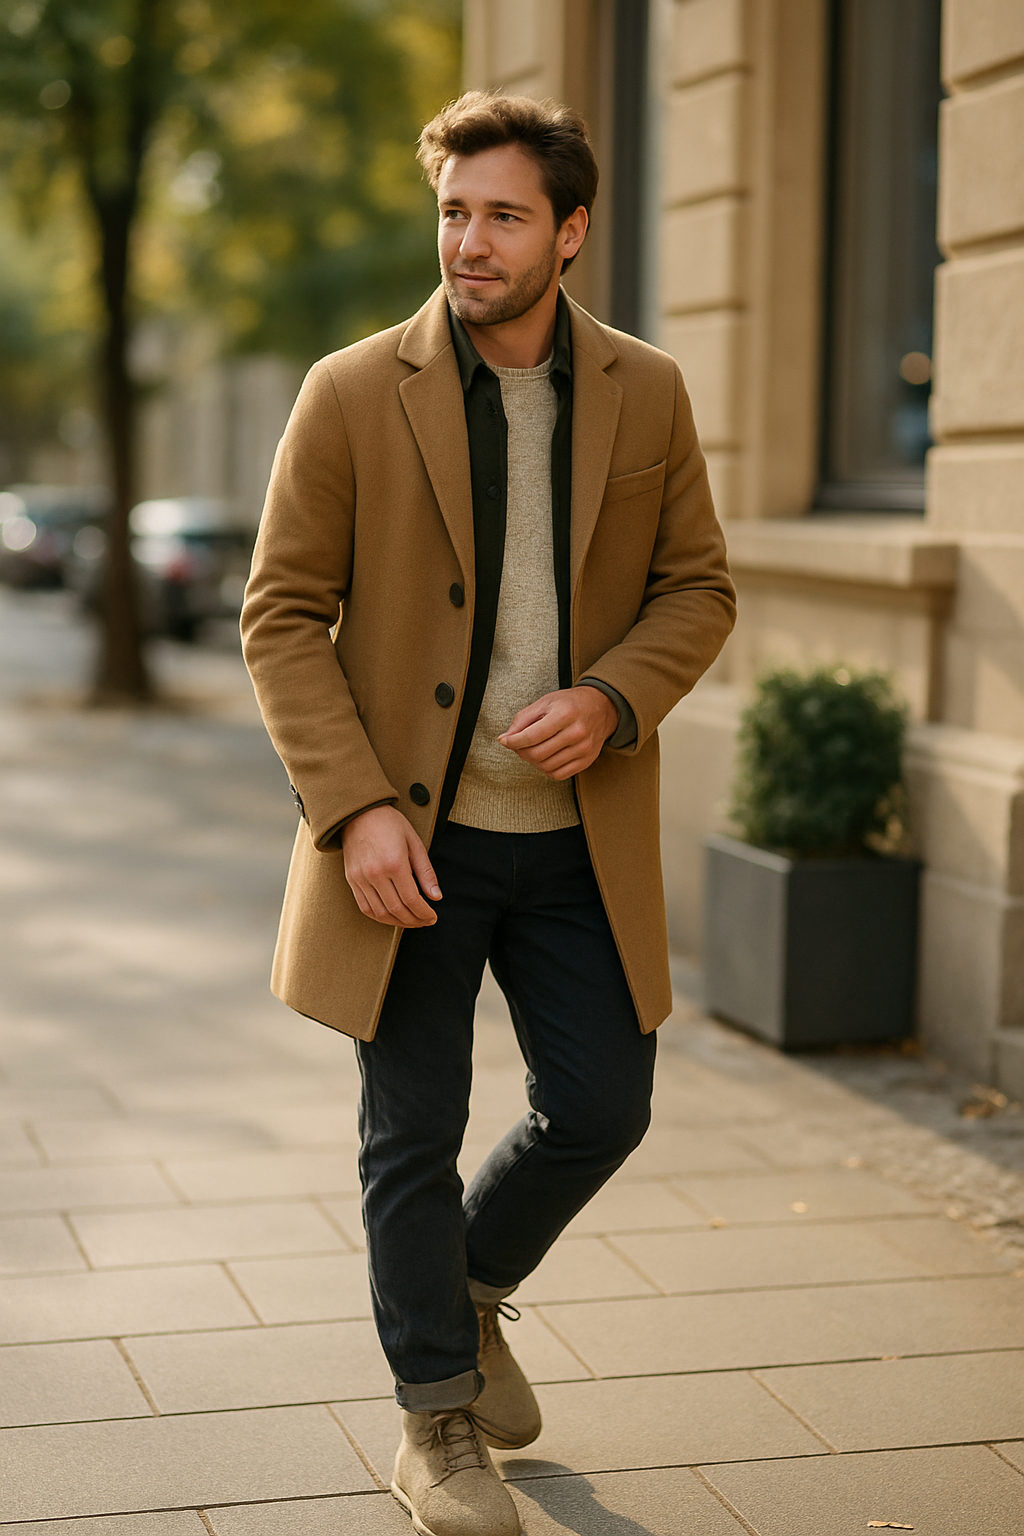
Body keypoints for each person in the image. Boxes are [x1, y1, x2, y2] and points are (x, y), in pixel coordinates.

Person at [242, 90, 735, 1536]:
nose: (469, 240)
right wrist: (355, 813)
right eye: (455, 211)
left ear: (570, 232)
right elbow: (280, 618)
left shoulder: (646, 390)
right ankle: (436, 1423)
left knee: (602, 1105)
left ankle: (460, 1291)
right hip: (415, 847)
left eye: (504, 214)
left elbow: (698, 585)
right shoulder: (349, 390)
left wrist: (614, 696)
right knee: (412, 1131)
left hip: (580, 840)